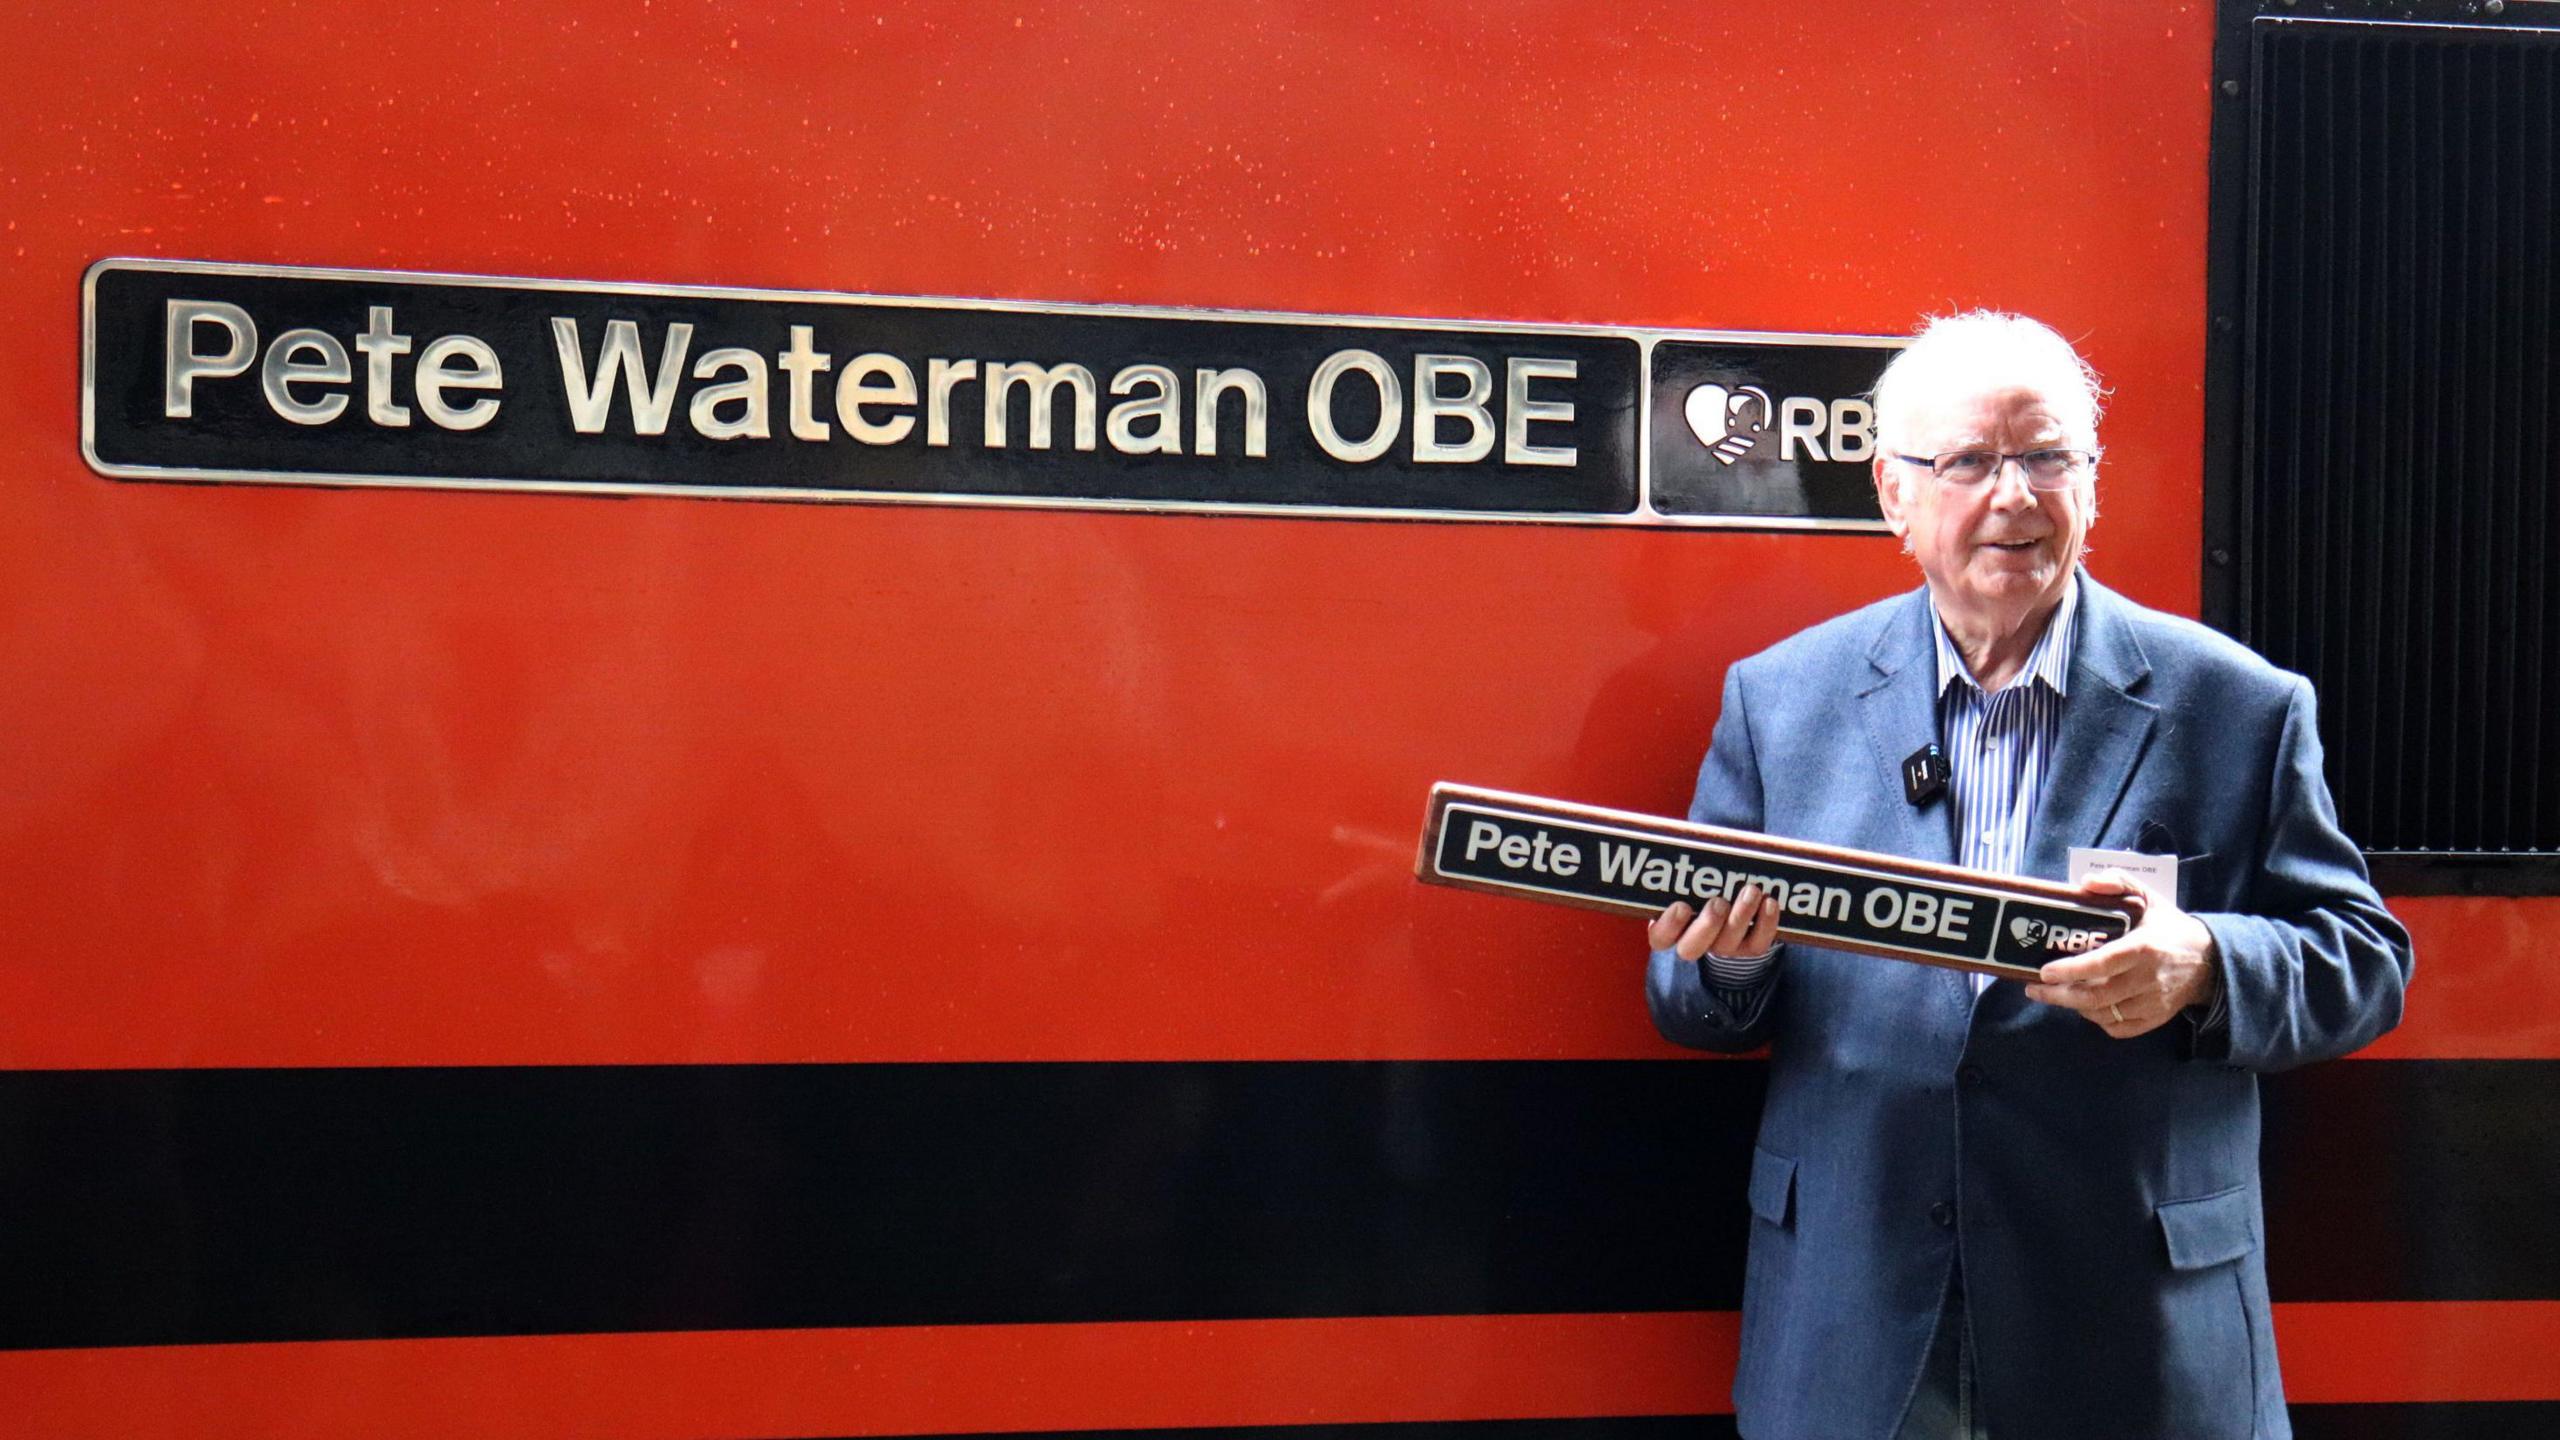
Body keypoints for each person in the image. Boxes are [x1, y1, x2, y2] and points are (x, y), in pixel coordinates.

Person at [1642, 312, 2412, 1440]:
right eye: (1965, 462)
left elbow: (2364, 958)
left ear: (2090, 484)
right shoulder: (1780, 701)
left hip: (2131, 1327)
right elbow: (1689, 1000)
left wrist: (2205, 965)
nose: (2012, 496)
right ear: (1892, 494)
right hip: (1857, 1316)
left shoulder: (2234, 707)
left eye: (2046, 456)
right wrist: (1733, 961)